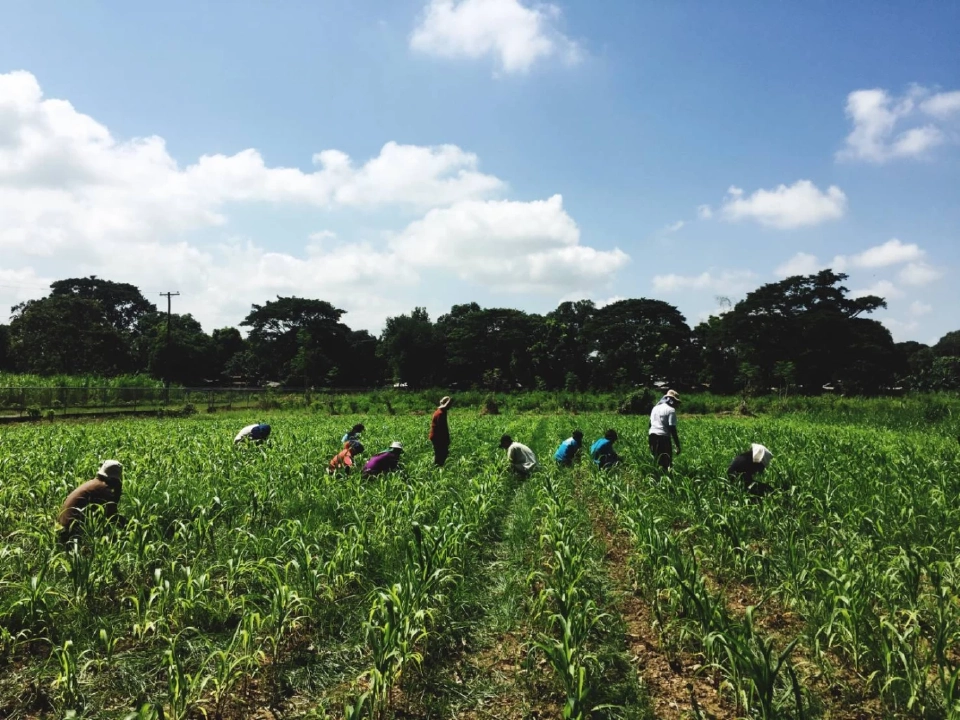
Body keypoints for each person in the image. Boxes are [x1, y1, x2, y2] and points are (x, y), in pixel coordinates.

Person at [58, 460, 124, 543]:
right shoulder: (103, 489)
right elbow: (113, 517)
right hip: (72, 532)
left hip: (62, 525)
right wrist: (133, 527)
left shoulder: (94, 483)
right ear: (114, 479)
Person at [649, 389, 681, 470]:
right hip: (663, 437)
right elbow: (672, 428)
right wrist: (677, 445)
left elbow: (650, 424)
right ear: (672, 400)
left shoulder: (655, 408)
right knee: (666, 463)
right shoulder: (671, 410)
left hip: (652, 436)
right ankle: (666, 479)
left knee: (656, 461)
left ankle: (656, 478)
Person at [429, 396, 452, 467]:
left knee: (439, 454)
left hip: (435, 436)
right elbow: (442, 429)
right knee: (441, 454)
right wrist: (446, 440)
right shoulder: (440, 413)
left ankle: (437, 468)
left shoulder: (439, 412)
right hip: (438, 437)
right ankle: (437, 468)